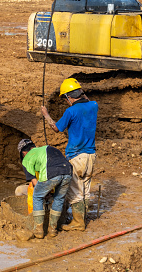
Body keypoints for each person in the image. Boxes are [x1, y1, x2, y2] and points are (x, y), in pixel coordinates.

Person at [41, 78, 98, 231]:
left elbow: (56, 128)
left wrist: (46, 115)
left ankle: (78, 223)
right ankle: (82, 218)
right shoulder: (94, 106)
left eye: (66, 99)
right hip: (91, 156)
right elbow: (86, 101)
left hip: (76, 156)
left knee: (75, 192)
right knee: (85, 189)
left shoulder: (71, 111)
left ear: (69, 97)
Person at [18, 139, 72, 239]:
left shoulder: (27, 159)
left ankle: (38, 230)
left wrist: (43, 193)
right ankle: (52, 229)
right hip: (68, 171)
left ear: (24, 153)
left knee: (37, 196)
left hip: (52, 173)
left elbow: (35, 183)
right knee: (59, 199)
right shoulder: (47, 148)